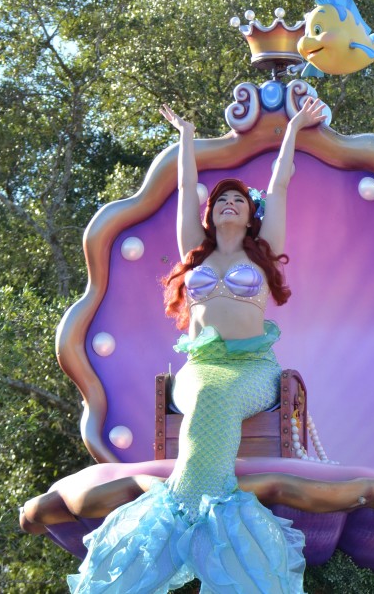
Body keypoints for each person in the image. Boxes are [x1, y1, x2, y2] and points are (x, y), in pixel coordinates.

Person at [62, 97, 326, 593]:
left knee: (219, 397)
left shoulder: (262, 252)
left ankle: (183, 529)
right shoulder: (195, 254)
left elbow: (280, 182)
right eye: (222, 201)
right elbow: (186, 187)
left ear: (251, 217)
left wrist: (292, 128)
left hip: (253, 369)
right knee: (206, 393)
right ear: (210, 215)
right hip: (200, 367)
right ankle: (207, 528)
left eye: (239, 202)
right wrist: (185, 135)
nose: (229, 205)